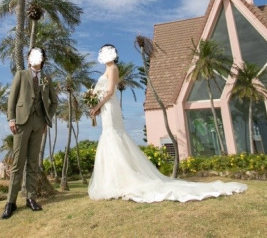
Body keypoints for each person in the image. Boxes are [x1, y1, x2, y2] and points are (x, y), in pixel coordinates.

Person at [88, 44, 247, 203]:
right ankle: (114, 181)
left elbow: (110, 91)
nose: (103, 55)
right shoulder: (106, 70)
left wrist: (97, 105)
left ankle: (122, 181)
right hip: (106, 109)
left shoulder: (113, 68)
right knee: (109, 136)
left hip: (109, 106)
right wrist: (95, 103)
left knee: (114, 135)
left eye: (105, 52)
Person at [1, 47, 58, 219]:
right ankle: (10, 202)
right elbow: (12, 98)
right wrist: (11, 119)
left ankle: (31, 199)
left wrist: (46, 119)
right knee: (18, 162)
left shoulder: (47, 79)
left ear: (42, 59)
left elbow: (54, 102)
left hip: (38, 123)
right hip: (21, 122)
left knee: (33, 163)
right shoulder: (21, 74)